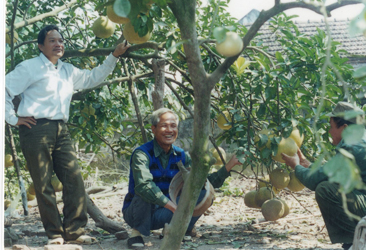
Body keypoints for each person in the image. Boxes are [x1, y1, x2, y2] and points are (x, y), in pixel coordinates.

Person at [5, 24, 130, 245]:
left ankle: (74, 230)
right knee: (43, 184)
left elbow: (93, 78)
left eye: (61, 40)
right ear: (41, 46)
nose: (58, 44)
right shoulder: (30, 67)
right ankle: (54, 234)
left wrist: (113, 56)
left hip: (61, 130)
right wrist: (13, 118)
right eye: (52, 40)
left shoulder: (67, 70)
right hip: (35, 129)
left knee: (74, 179)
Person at [282, 101, 366, 250]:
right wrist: (308, 166)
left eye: (331, 127)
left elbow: (315, 181)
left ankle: (354, 244)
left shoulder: (353, 146)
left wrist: (296, 166)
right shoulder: (363, 139)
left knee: (325, 190)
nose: (329, 131)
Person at [122, 108, 242, 249]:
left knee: (203, 192)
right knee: (145, 189)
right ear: (153, 129)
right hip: (138, 213)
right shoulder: (142, 154)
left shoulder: (181, 156)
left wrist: (229, 165)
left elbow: (202, 181)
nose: (169, 130)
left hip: (165, 212)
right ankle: (136, 233)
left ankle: (179, 229)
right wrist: (172, 206)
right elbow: (143, 185)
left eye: (173, 126)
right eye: (164, 126)